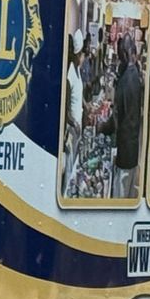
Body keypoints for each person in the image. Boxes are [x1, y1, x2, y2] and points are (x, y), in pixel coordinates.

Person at [112, 32, 143, 199]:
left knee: (120, 197)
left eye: (119, 55)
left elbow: (117, 118)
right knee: (130, 195)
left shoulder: (125, 81)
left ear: (124, 53)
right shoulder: (136, 76)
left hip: (124, 151)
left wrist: (104, 127)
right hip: (133, 149)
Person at [63, 29, 85, 193]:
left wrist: (86, 105)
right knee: (69, 167)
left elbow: (79, 94)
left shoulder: (77, 71)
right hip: (72, 130)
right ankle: (66, 192)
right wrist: (74, 123)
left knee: (76, 161)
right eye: (82, 54)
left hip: (78, 126)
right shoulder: (69, 75)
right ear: (77, 55)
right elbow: (66, 110)